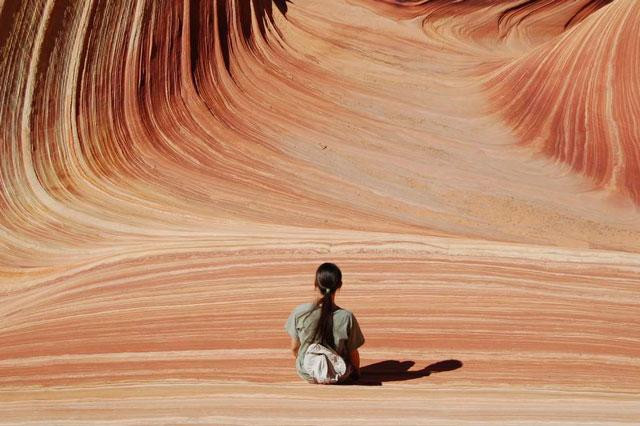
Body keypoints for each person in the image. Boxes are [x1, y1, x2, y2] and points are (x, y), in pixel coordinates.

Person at [284, 262, 365, 383]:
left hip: (308, 372)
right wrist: (356, 373)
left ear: (315, 284)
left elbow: (295, 348)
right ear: (339, 285)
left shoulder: (300, 312)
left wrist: (303, 361)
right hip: (337, 374)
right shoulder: (346, 317)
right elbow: (353, 353)